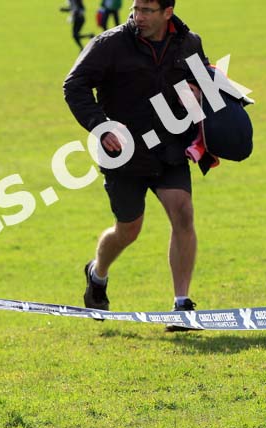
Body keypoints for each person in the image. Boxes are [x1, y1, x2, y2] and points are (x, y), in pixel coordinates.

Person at [63, 0, 211, 331]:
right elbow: (74, 85)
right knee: (129, 229)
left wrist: (199, 90)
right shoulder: (109, 44)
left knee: (183, 212)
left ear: (167, 12)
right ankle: (97, 273)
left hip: (169, 147)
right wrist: (101, 126)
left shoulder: (189, 43)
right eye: (135, 8)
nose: (137, 17)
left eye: (147, 10)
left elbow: (207, 83)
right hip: (123, 152)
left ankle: (182, 305)